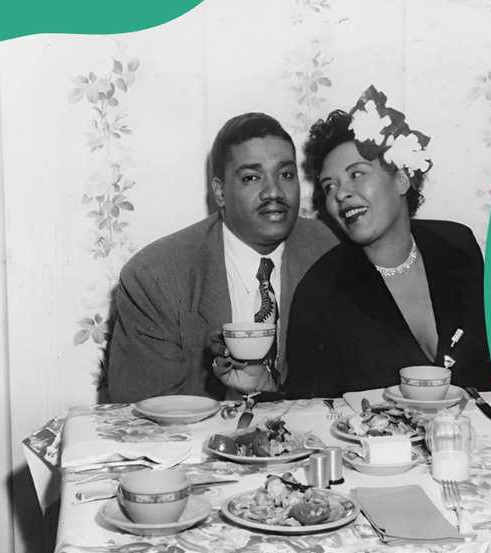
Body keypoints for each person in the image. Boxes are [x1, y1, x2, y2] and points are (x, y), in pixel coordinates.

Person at [226, 87, 491, 398]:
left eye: (357, 174)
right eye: (330, 186)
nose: (340, 194)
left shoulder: (458, 246)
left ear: (402, 178)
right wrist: (264, 388)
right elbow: (308, 408)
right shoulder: (321, 290)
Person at [106, 113, 338, 403]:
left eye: (286, 174)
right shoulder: (154, 276)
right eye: (252, 177)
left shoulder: (329, 251)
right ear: (220, 192)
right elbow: (143, 414)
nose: (274, 192)